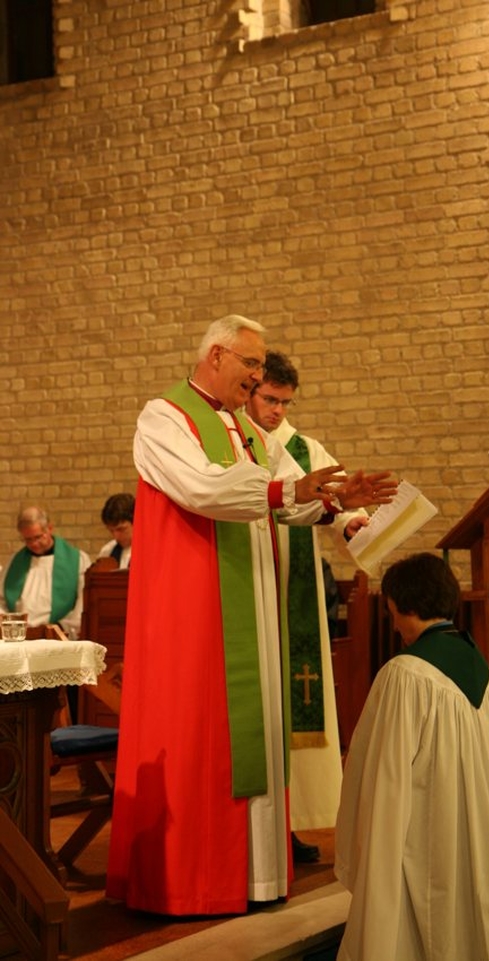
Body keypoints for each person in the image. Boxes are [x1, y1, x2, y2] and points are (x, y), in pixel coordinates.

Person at [105, 313, 397, 917]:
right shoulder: (164, 416)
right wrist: (285, 492)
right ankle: (193, 881)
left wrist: (337, 498)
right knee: (203, 735)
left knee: (257, 737)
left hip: (256, 607)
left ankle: (254, 877)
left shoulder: (244, 428)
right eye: (251, 363)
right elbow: (203, 488)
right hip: (198, 611)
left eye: (261, 366)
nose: (258, 374)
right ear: (216, 355)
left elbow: (290, 492)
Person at [334, 552, 489, 961]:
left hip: (426, 838)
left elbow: (382, 776)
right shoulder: (483, 669)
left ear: (408, 606)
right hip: (477, 831)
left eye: (392, 613)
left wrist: (372, 852)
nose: (393, 625)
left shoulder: (406, 674)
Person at [246, 350, 369, 863]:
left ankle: (291, 823)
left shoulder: (304, 447)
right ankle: (251, 824)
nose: (276, 411)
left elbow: (336, 500)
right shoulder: (231, 442)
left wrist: (353, 521)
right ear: (250, 391)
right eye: (269, 399)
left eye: (284, 402)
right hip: (245, 584)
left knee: (295, 701)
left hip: (293, 587)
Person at [0, 505, 91, 640]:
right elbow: (1, 599)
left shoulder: (77, 559)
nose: (34, 544)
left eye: (38, 537)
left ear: (49, 528)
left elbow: (82, 604)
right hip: (20, 637)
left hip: (57, 636)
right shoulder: (15, 561)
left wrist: (60, 628)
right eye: (28, 539)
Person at [96, 492, 135, 568]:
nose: (116, 536)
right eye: (111, 531)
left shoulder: (153, 551)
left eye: (121, 529)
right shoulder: (107, 552)